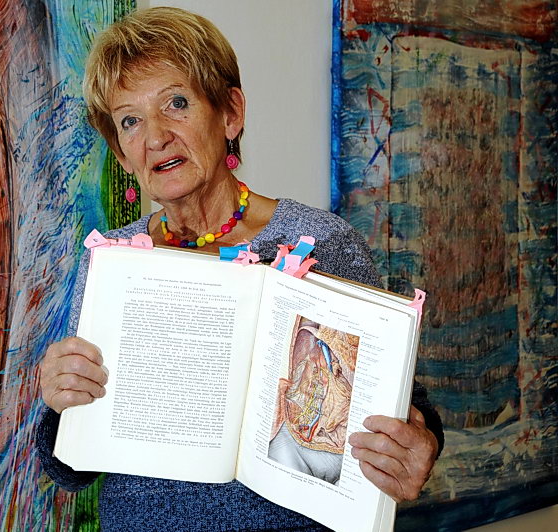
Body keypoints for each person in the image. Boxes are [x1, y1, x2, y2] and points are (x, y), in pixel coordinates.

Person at [36, 7, 443, 530]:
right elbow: (72, 469)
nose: (155, 136)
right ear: (121, 153)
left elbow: (403, 407)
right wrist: (61, 404)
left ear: (230, 114)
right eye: (130, 120)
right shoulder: (110, 262)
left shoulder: (319, 242)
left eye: (176, 103)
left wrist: (419, 444)